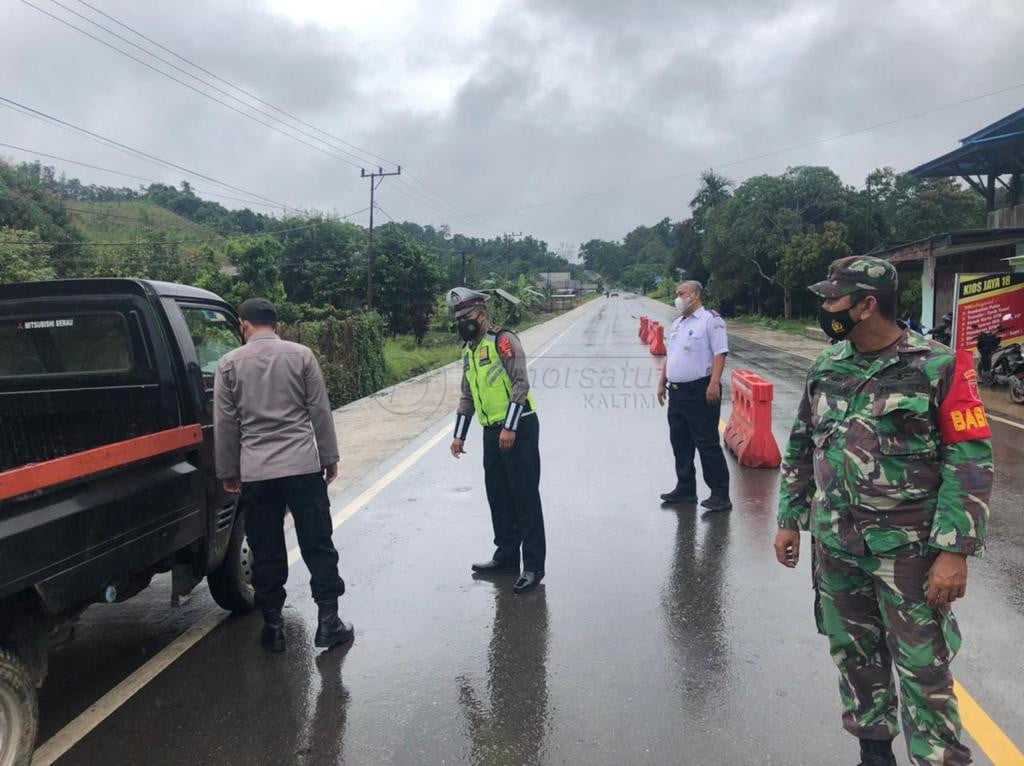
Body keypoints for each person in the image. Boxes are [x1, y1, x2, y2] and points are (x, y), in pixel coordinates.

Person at [773, 256, 993, 766]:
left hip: (909, 554)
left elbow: (971, 461)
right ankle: (874, 752)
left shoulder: (940, 366)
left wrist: (953, 552)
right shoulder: (827, 365)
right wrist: (789, 516)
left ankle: (938, 759)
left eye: (834, 299)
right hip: (837, 546)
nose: (826, 308)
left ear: (867, 305)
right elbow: (803, 443)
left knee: (924, 669)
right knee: (854, 656)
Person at [214, 298, 352, 653]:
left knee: (266, 548)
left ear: (244, 324)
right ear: (276, 325)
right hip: (303, 467)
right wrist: (329, 457)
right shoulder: (301, 355)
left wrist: (229, 471)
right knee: (317, 542)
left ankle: (273, 625)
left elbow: (226, 424)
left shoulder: (229, 364)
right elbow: (319, 410)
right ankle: (328, 621)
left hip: (257, 471)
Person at [447, 287, 547, 594]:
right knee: (498, 497)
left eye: (466, 316)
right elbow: (468, 394)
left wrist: (510, 427)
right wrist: (459, 434)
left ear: (481, 314)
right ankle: (505, 557)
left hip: (519, 428)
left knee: (524, 498)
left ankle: (532, 567)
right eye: (457, 318)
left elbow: (520, 383)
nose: (462, 322)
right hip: (491, 431)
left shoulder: (503, 340)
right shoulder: (469, 350)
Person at [657, 280, 732, 511]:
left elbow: (720, 352)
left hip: (700, 390)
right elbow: (671, 354)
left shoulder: (711, 321)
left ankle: (720, 494)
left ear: (696, 295)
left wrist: (714, 382)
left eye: (682, 293)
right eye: (677, 293)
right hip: (677, 392)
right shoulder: (678, 323)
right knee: (680, 442)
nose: (678, 297)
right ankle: (685, 488)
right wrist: (662, 381)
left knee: (706, 443)